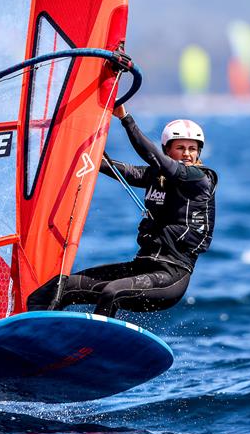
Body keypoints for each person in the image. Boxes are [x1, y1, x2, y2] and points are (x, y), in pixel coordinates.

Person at [27, 104, 217, 318]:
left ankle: (95, 346)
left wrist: (125, 119)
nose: (187, 154)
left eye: (192, 149)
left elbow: (152, 156)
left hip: (170, 276)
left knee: (112, 292)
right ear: (168, 150)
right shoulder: (156, 176)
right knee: (64, 285)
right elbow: (123, 170)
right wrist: (79, 146)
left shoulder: (199, 179)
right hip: (142, 267)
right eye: (180, 148)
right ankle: (29, 329)